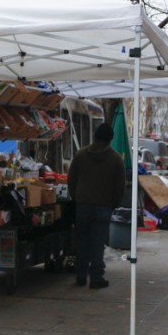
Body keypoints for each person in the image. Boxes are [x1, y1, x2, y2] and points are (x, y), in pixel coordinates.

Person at [68, 122, 125, 289]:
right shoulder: (116, 160)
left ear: (95, 136)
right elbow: (120, 187)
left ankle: (80, 275)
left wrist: (76, 197)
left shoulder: (80, 155)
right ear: (110, 139)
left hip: (82, 205)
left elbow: (71, 180)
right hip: (103, 206)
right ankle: (96, 277)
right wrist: (112, 204)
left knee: (82, 241)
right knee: (98, 243)